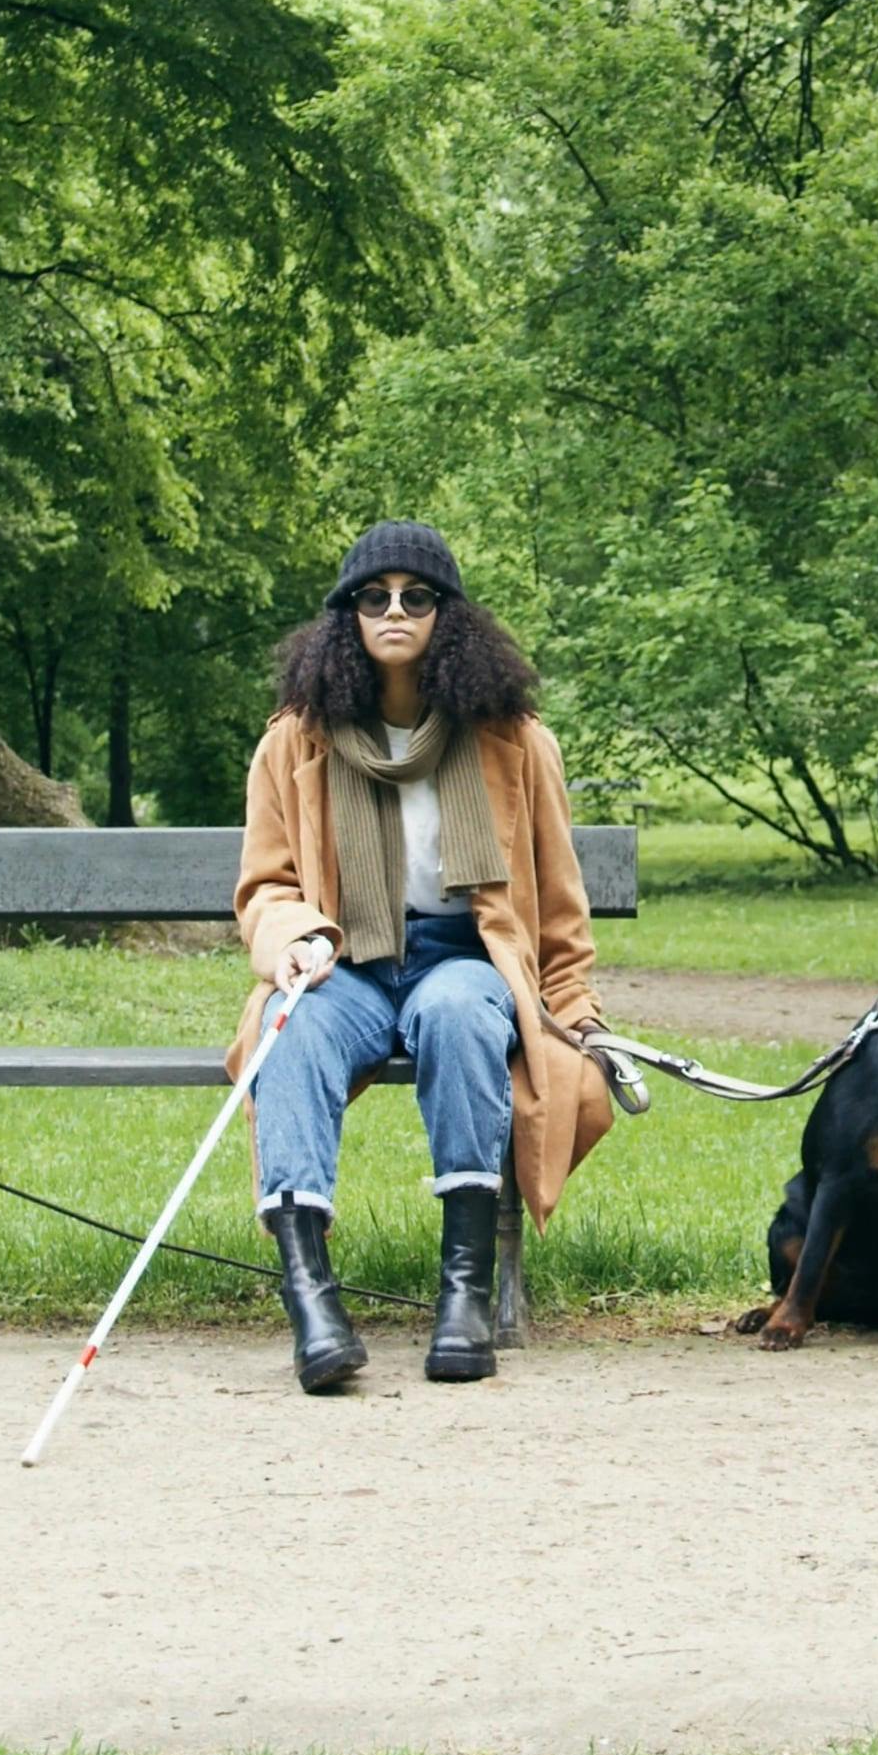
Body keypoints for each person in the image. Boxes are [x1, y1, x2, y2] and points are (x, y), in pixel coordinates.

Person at [228, 520, 614, 1394]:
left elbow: (555, 899)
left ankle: (464, 1297)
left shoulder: (513, 739)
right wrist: (293, 943)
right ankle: (312, 1303)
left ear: (450, 616)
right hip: (345, 957)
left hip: (461, 955)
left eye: (417, 596)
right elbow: (267, 886)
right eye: (374, 596)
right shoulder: (297, 741)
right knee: (287, 1035)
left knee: (456, 1016)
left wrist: (576, 1008)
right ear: (347, 617)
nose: (394, 610)